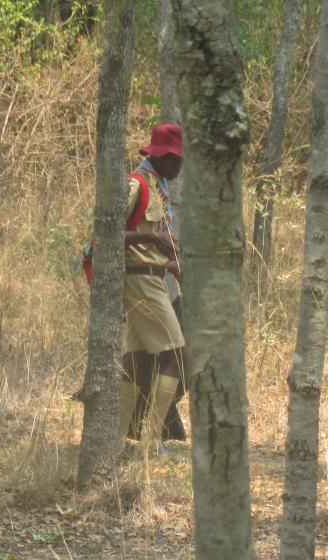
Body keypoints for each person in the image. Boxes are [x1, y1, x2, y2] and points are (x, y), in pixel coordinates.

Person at [118, 124, 186, 449]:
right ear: (157, 155)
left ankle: (115, 439)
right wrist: (151, 238)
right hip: (140, 279)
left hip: (153, 277)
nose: (177, 167)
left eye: (180, 161)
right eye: (172, 160)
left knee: (136, 359)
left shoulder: (159, 187)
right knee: (176, 354)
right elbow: (106, 234)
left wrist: (171, 261)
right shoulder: (136, 183)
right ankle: (151, 440)